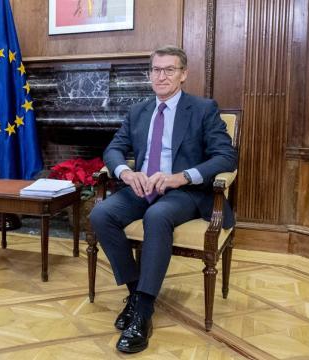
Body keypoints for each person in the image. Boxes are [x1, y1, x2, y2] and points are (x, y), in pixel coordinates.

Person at [89, 46, 237, 353]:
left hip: (184, 191)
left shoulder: (203, 109)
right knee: (101, 214)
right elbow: (113, 149)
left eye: (170, 70)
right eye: (156, 70)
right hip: (142, 187)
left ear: (184, 75)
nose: (162, 76)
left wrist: (181, 177)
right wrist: (127, 174)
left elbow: (226, 156)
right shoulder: (139, 111)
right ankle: (136, 294)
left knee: (157, 217)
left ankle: (142, 313)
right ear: (149, 75)